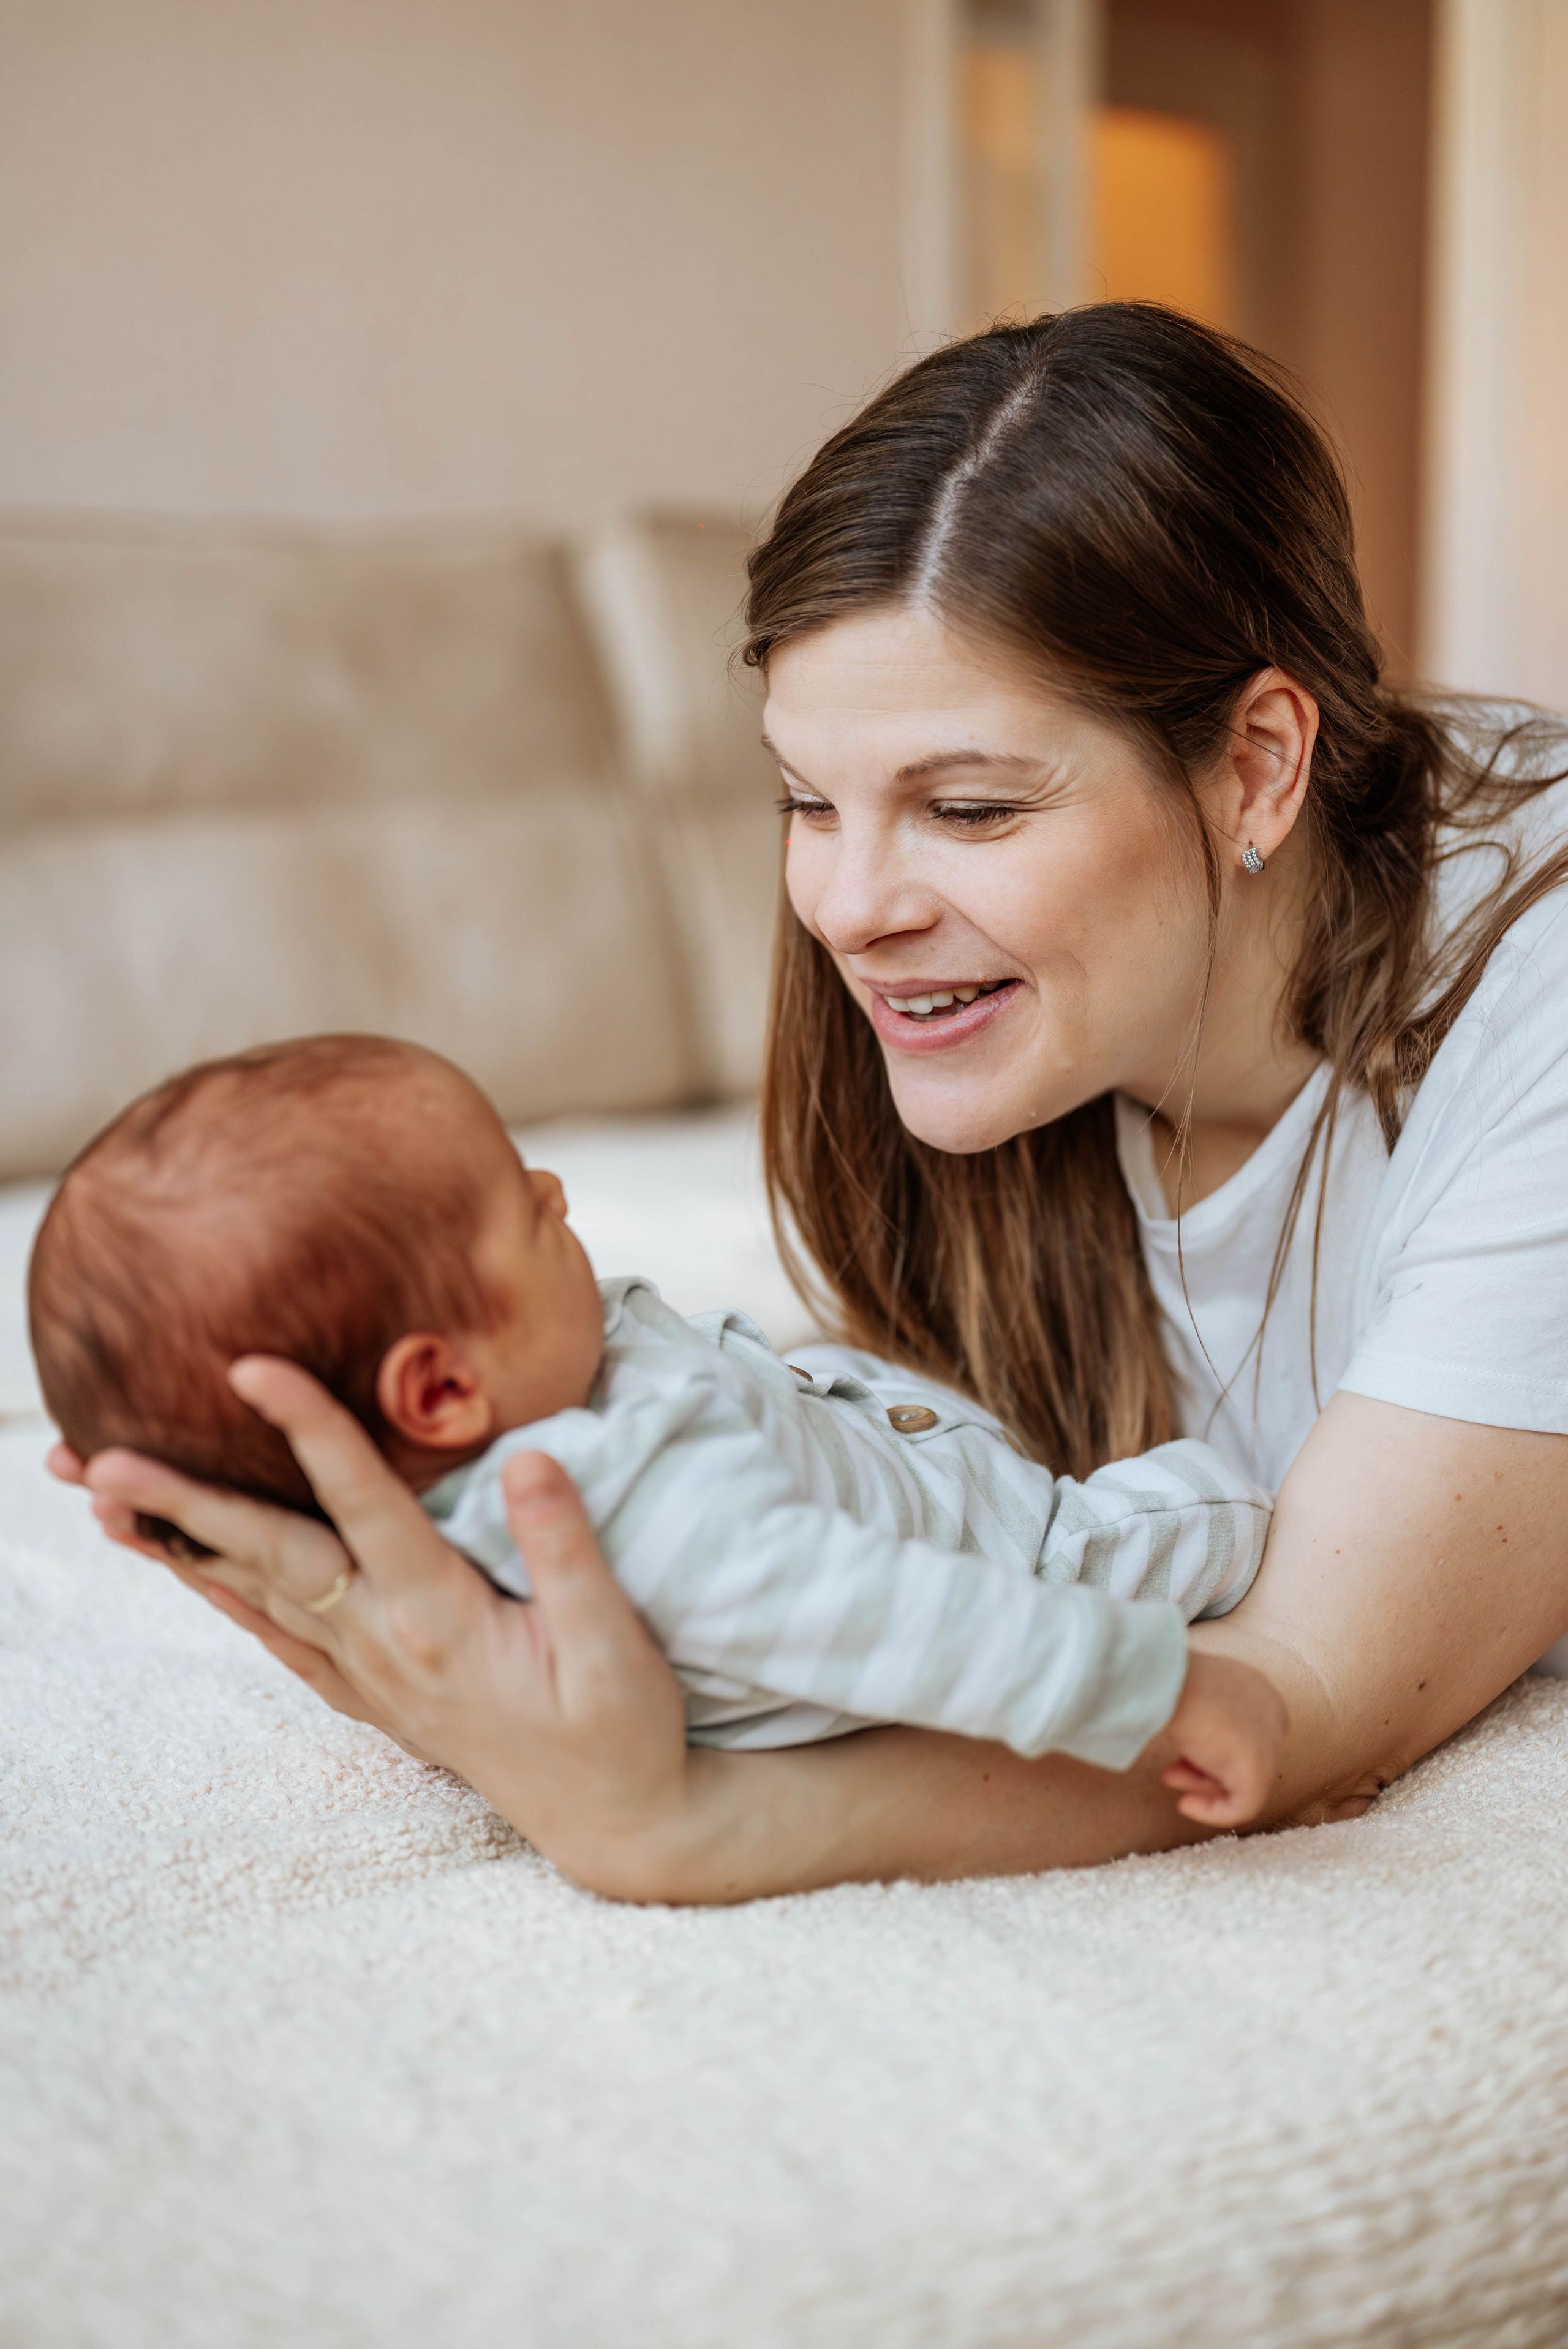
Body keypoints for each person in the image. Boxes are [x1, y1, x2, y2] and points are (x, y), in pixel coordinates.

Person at [62, 303, 1568, 1904]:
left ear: (1261, 764)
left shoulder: (1529, 1009)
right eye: (803, 798)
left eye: (970, 805)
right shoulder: (981, 1030)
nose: (848, 907)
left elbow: (1295, 1699)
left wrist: (682, 1822)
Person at [29, 1035, 1282, 1822]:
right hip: (1012, 1549)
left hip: (858, 1434)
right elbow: (890, 1617)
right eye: (519, 1209)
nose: (554, 1188)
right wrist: (1158, 1690)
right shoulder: (628, 1509)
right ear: (439, 1393)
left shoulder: (523, 1419)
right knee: (1230, 1506)